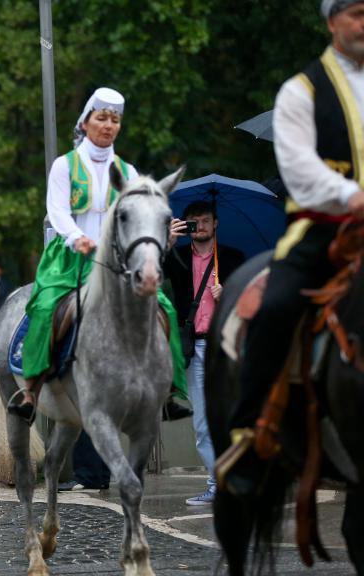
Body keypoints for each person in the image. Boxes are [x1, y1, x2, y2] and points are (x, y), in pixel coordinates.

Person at [219, 0, 364, 496]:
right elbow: (297, 167)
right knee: (276, 306)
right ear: (332, 22)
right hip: (323, 230)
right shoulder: (301, 92)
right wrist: (350, 194)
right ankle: (248, 431)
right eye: (358, 12)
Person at [8, 87, 188, 422]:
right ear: (86, 122)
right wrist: (77, 237)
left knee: (164, 307)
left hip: (118, 262)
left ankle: (171, 391)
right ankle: (30, 389)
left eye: (114, 120)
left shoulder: (129, 172)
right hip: (71, 256)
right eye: (101, 118)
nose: (108, 125)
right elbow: (57, 210)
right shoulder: (66, 165)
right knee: (47, 306)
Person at [164, 201, 244, 505]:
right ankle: (217, 483)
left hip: (226, 344)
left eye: (206, 220)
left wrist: (231, 292)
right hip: (193, 347)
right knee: (202, 424)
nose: (201, 226)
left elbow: (254, 297)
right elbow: (152, 277)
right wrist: (168, 242)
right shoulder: (178, 257)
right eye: (193, 222)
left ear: (216, 224)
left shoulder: (233, 258)